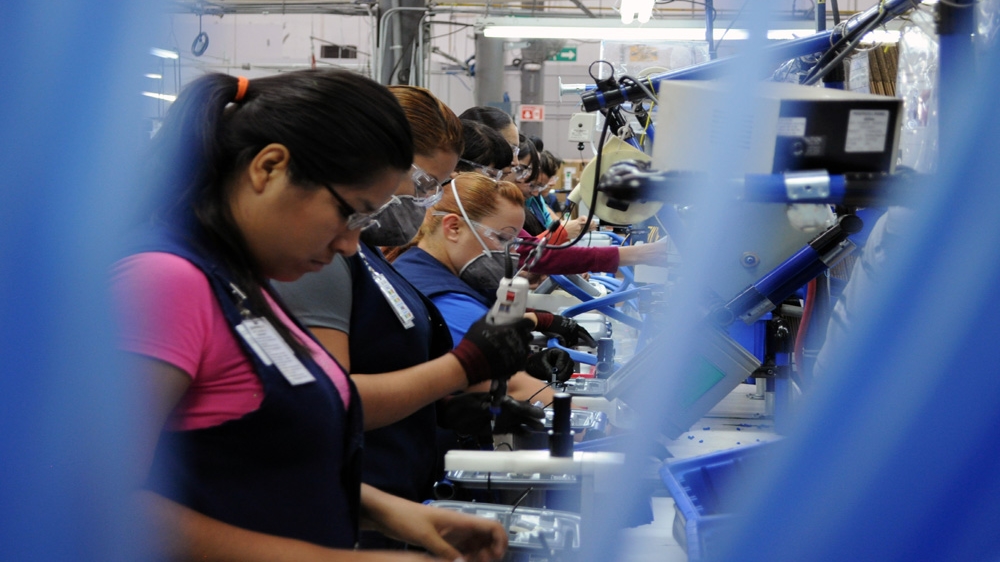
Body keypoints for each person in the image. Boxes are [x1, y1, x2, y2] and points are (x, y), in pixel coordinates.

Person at [111, 70, 511, 561]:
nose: (349, 243)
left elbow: (259, 457)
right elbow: (97, 503)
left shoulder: (244, 281)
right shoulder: (162, 282)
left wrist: (389, 511)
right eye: (350, 213)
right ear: (269, 168)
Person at [271, 87, 556, 539]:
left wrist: (446, 410)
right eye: (425, 185)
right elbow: (326, 406)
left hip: (381, 498)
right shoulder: (318, 260)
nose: (427, 200)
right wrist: (460, 370)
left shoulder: (360, 253)